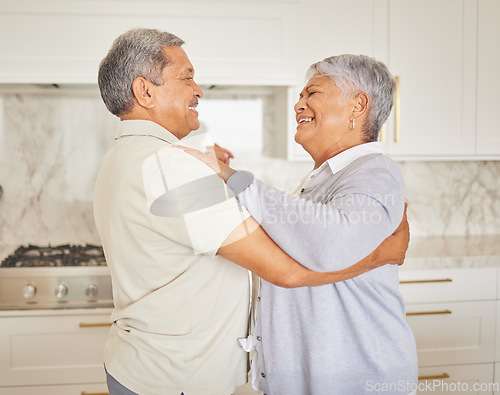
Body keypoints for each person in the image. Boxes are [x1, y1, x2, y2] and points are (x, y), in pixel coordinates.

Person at [93, 28, 411, 395]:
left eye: (312, 93)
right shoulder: (171, 166)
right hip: (174, 380)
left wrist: (222, 179)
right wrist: (382, 255)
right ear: (144, 91)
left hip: (143, 370)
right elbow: (286, 271)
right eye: (187, 78)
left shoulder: (124, 157)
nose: (198, 90)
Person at [184, 54, 419, 394]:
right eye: (300, 96)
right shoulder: (325, 178)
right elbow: (288, 246)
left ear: (358, 105)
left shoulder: (375, 172)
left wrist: (233, 178)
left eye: (312, 93)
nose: (299, 105)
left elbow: (330, 244)